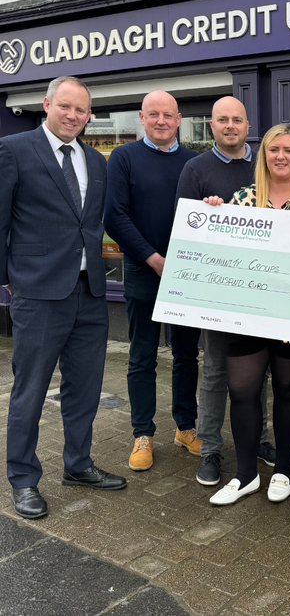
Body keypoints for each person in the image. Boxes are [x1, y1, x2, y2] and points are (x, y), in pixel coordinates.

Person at [1, 76, 127, 520]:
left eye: (82, 110)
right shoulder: (14, 150)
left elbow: (89, 223)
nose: (73, 116)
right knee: (31, 390)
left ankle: (78, 465)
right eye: (66, 107)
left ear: (90, 115)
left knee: (85, 387)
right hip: (38, 294)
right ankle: (23, 478)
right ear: (46, 104)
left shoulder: (96, 159)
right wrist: (9, 282)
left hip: (90, 293)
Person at [206, 123, 290, 505]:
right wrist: (211, 218)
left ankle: (283, 470)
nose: (281, 156)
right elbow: (223, 256)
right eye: (274, 150)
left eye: (288, 149)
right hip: (248, 313)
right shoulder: (241, 198)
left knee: (287, 389)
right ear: (264, 155)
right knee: (242, 390)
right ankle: (245, 475)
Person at [175, 96, 276, 487]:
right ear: (211, 126)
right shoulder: (195, 169)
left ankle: (261, 439)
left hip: (264, 287)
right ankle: (212, 448)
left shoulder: (266, 163)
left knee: (259, 372)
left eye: (237, 120)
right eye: (222, 120)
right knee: (215, 372)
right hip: (217, 290)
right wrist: (208, 215)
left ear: (247, 126)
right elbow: (185, 229)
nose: (230, 126)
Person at [104, 91, 201, 472]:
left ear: (179, 119)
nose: (161, 121)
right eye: (153, 114)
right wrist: (153, 257)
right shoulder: (124, 158)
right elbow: (114, 216)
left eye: (168, 115)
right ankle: (142, 433)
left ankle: (186, 426)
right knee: (142, 355)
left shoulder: (195, 162)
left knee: (186, 354)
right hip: (145, 272)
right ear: (141, 119)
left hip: (187, 275)